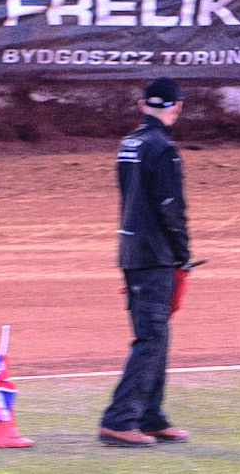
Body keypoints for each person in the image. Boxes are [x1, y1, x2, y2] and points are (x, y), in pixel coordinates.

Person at [98, 77, 191, 448]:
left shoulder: (129, 144)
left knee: (156, 336)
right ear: (176, 106)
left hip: (131, 250)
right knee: (151, 337)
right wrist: (183, 253)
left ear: (142, 106)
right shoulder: (163, 148)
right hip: (155, 255)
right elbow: (171, 207)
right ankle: (119, 420)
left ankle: (150, 416)